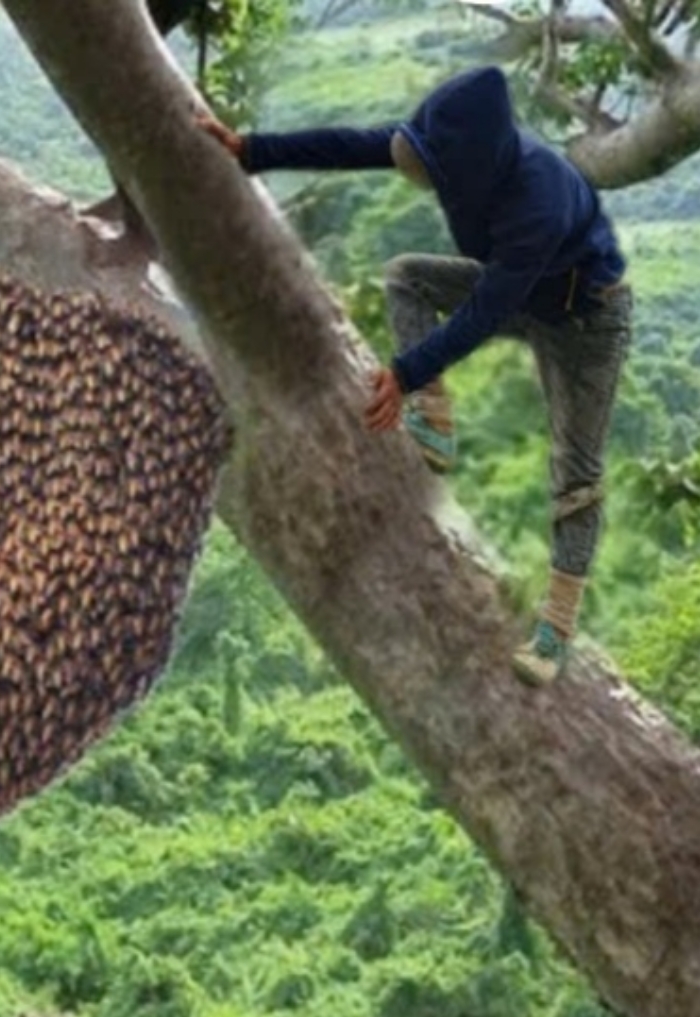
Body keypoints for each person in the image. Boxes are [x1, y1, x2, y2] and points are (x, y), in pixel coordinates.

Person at [196, 66, 631, 687]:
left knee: (576, 477)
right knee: (408, 276)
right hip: (528, 292)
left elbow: (487, 311)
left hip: (585, 323)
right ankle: (436, 424)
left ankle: (554, 632)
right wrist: (253, 150)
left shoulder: (538, 197)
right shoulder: (458, 148)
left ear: (473, 162)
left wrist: (403, 372)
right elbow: (356, 144)